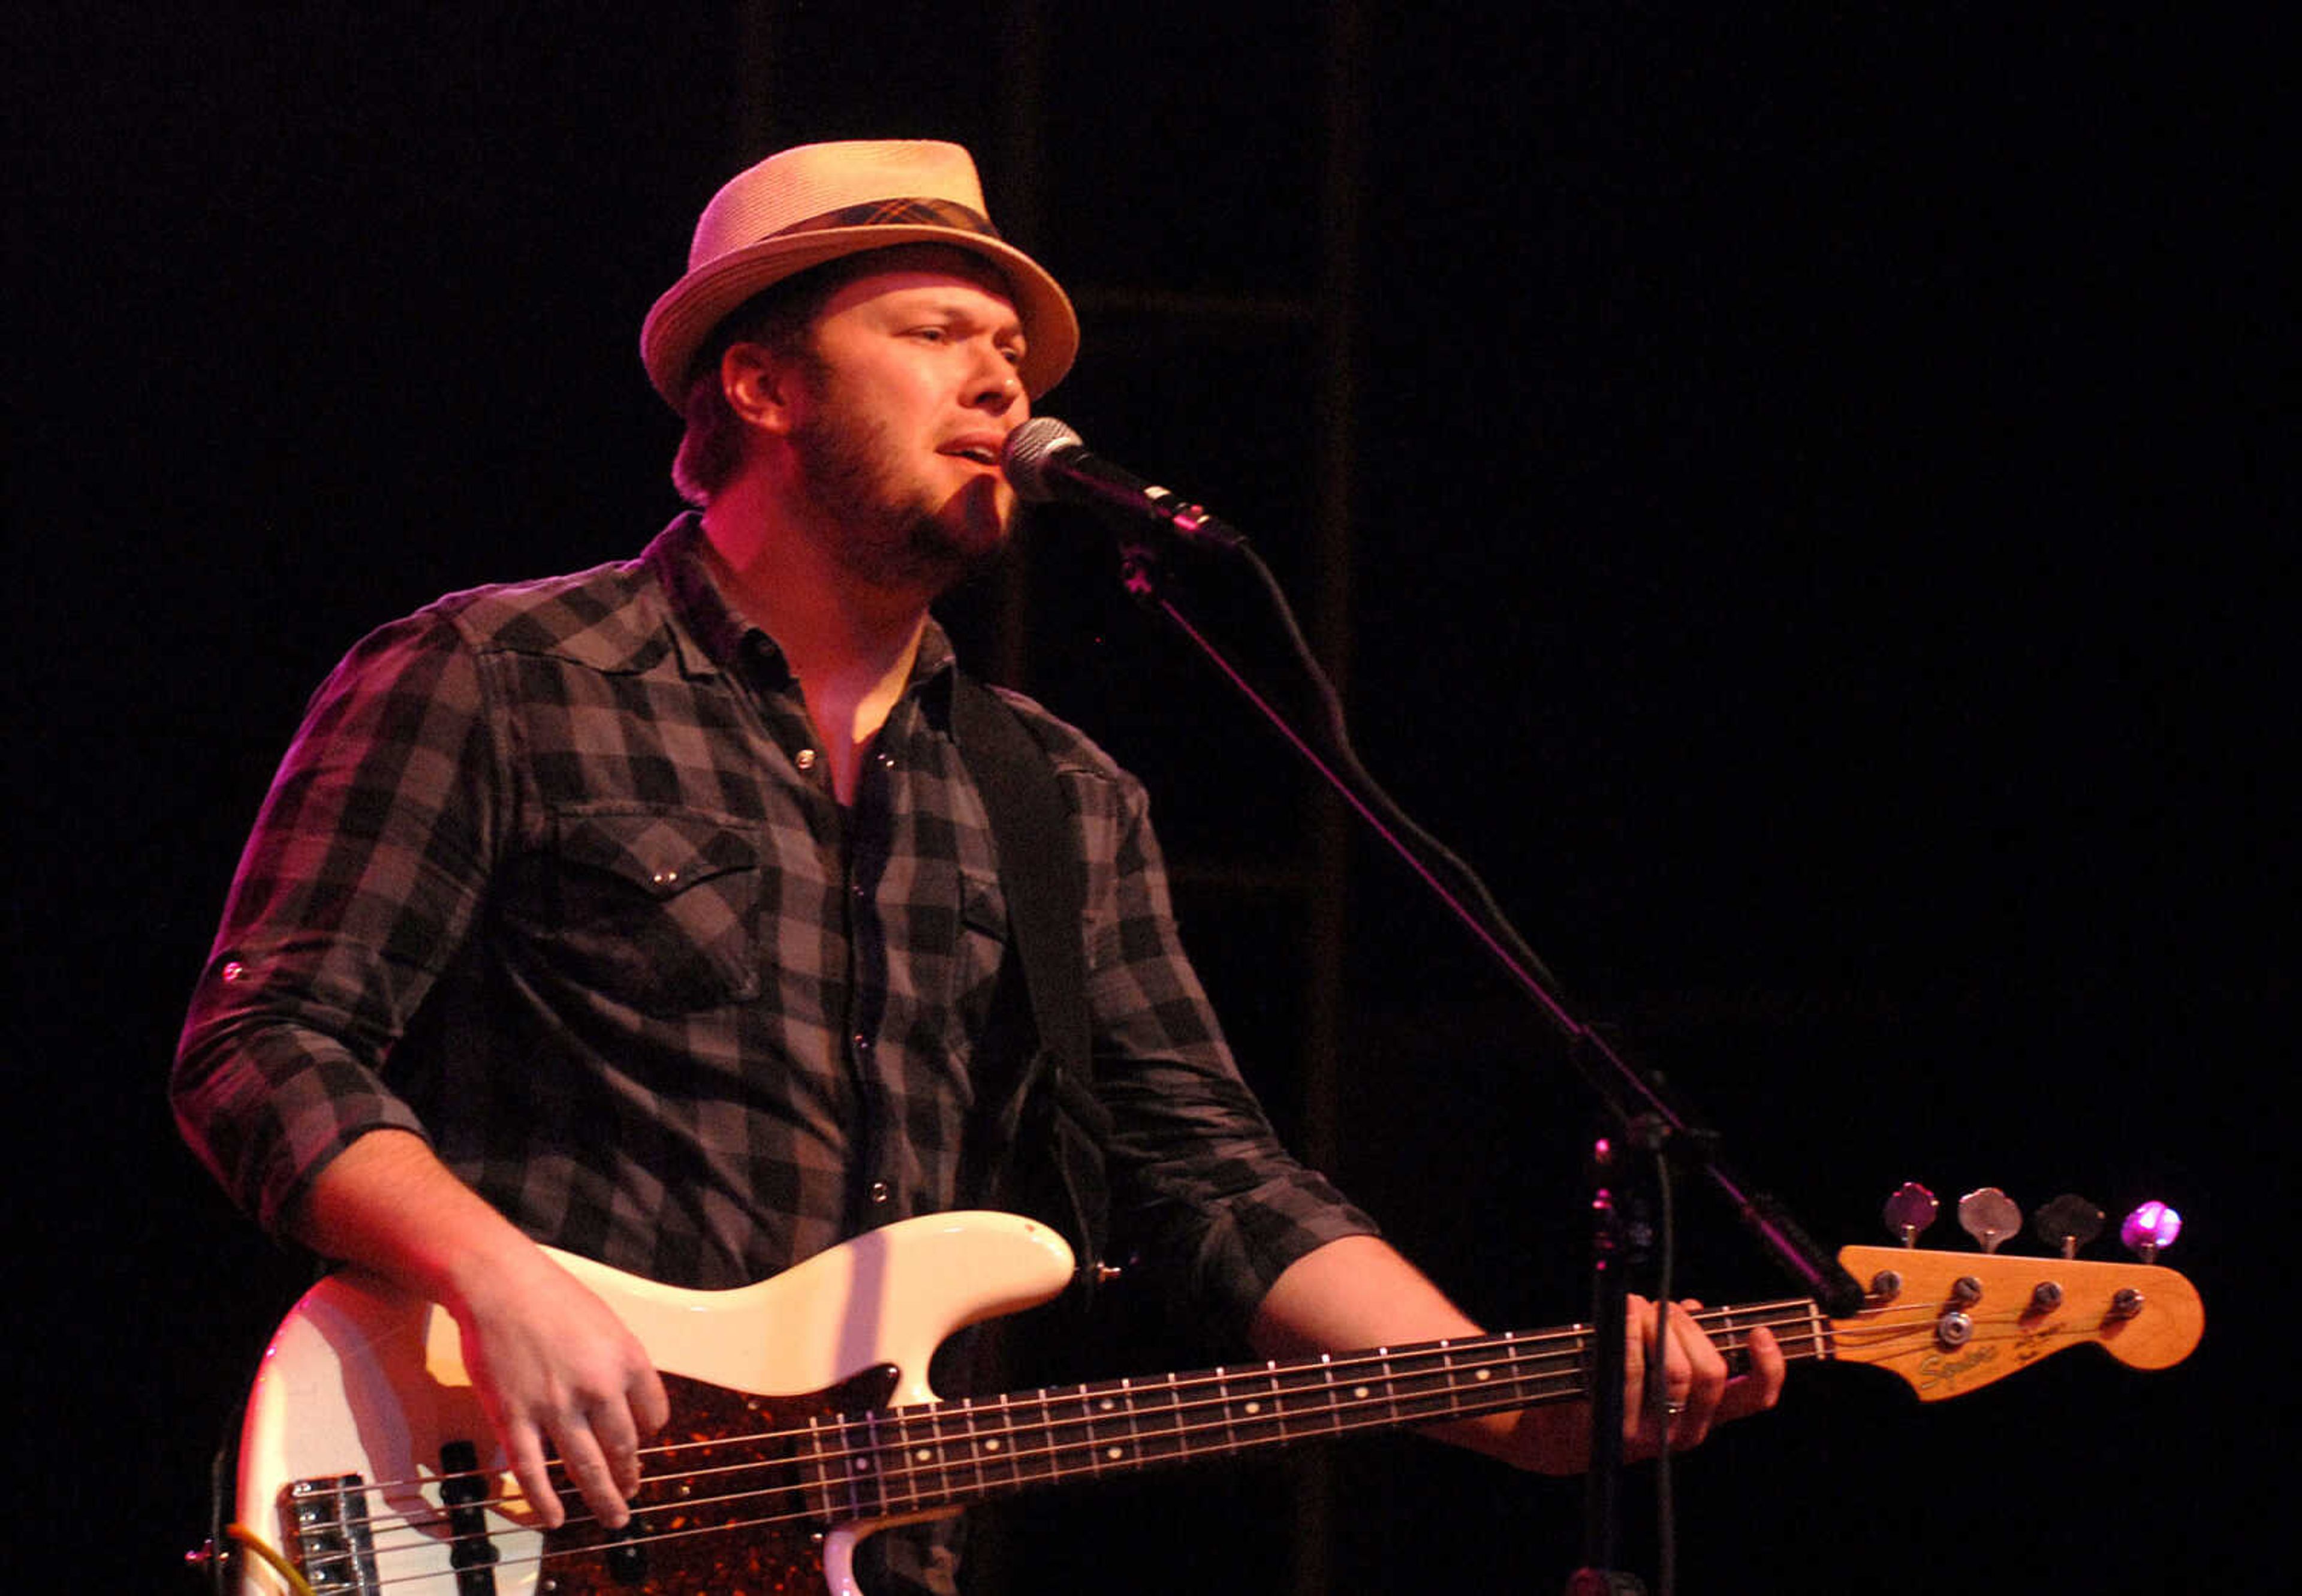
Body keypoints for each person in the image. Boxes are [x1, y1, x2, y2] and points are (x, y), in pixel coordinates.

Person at [173, 139, 1782, 1593]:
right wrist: (497, 1282)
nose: (1002, 384)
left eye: (1013, 353)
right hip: (517, 1509)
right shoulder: (502, 676)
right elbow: (262, 1047)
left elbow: (1212, 1179)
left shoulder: (1058, 794)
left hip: (870, 1554)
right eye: (937, 334)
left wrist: (1501, 1402)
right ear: (762, 385)